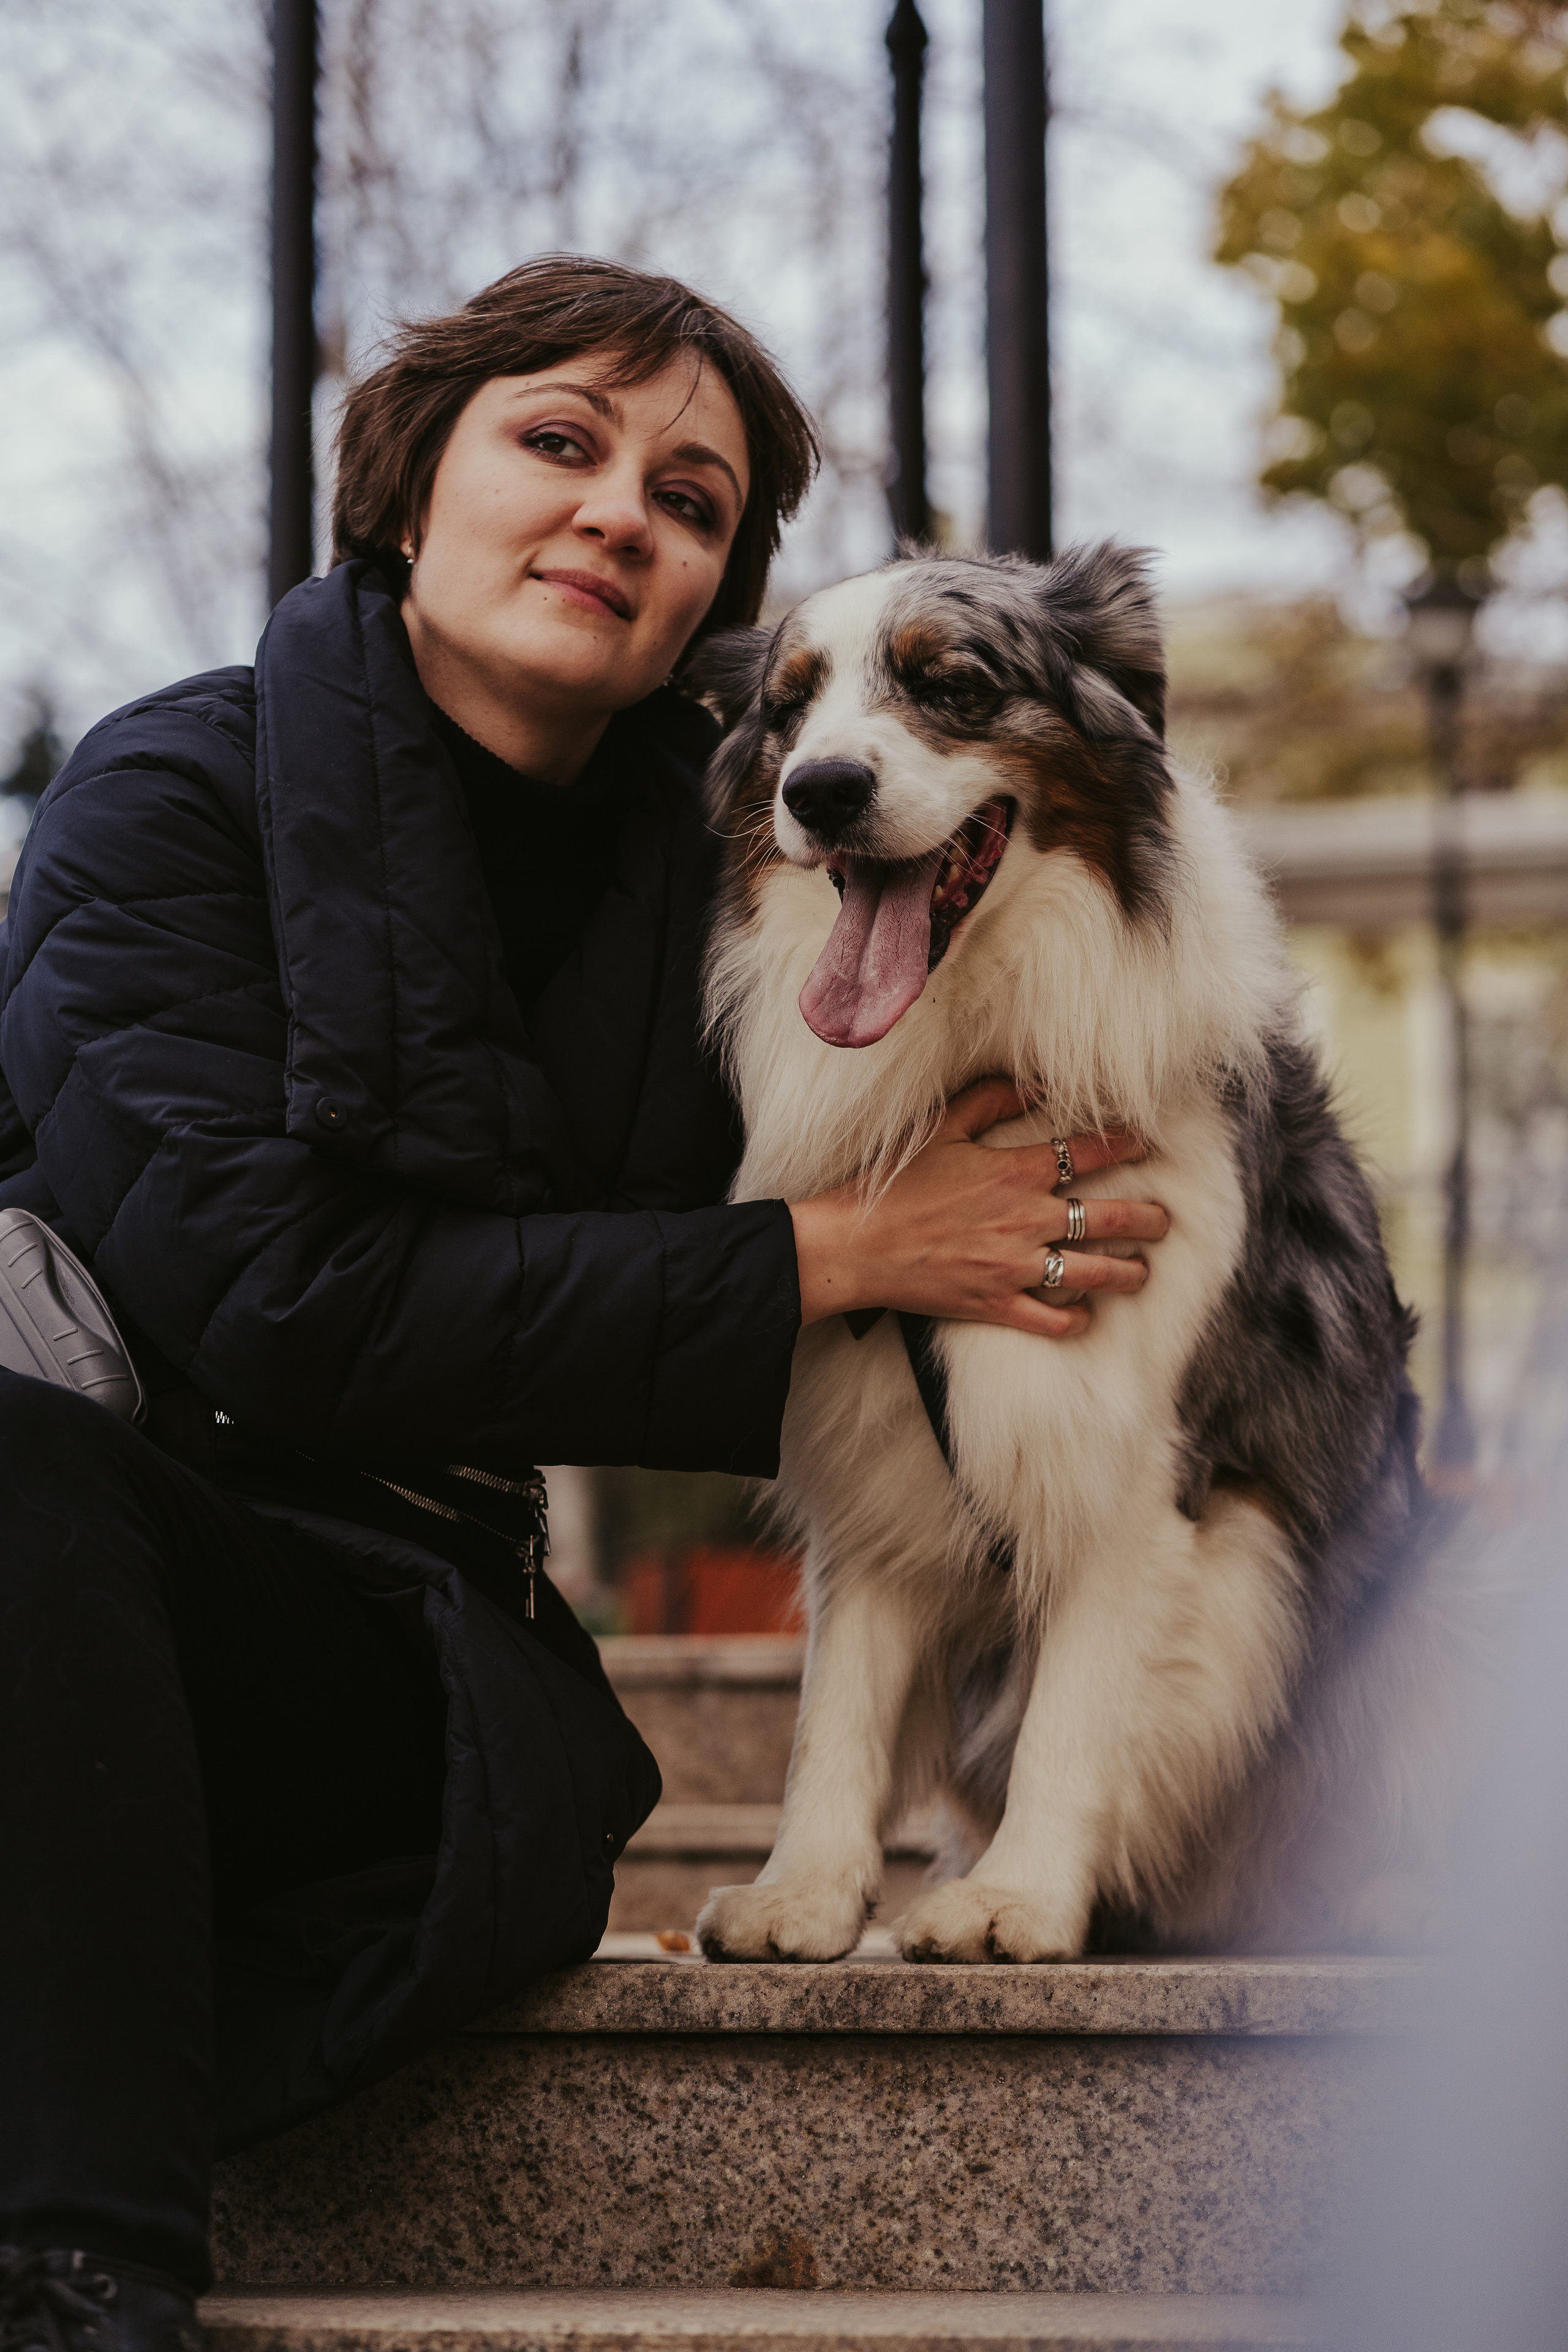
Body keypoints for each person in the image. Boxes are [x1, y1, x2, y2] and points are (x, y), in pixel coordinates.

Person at [0, 257, 1163, 2352]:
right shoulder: (160, 798)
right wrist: (840, 1251)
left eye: (691, 502)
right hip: (83, 1572)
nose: (624, 513)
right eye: (560, 442)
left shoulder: (755, 872)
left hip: (401, 1672)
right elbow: (289, 1303)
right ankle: (81, 2281)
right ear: (405, 485)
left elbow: (1057, 1003)